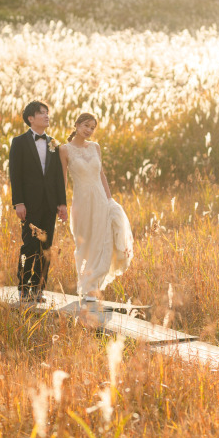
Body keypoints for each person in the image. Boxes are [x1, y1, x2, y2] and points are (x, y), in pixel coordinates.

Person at [59, 112, 133, 300]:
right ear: (76, 125)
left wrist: (109, 200)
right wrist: (62, 205)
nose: (89, 130)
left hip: (100, 200)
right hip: (81, 203)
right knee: (84, 244)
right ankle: (85, 285)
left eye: (92, 128)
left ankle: (92, 288)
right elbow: (63, 180)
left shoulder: (95, 147)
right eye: (86, 126)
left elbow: (102, 175)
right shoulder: (64, 150)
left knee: (103, 242)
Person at [9, 101, 68, 304]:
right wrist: (18, 202)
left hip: (50, 203)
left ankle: (39, 288)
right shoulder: (19, 142)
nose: (46, 116)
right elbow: (15, 175)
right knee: (30, 245)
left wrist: (62, 203)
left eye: (47, 113)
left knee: (46, 246)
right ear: (31, 118)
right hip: (29, 203)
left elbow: (58, 176)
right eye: (41, 113)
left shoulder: (53, 143)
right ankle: (24, 289)